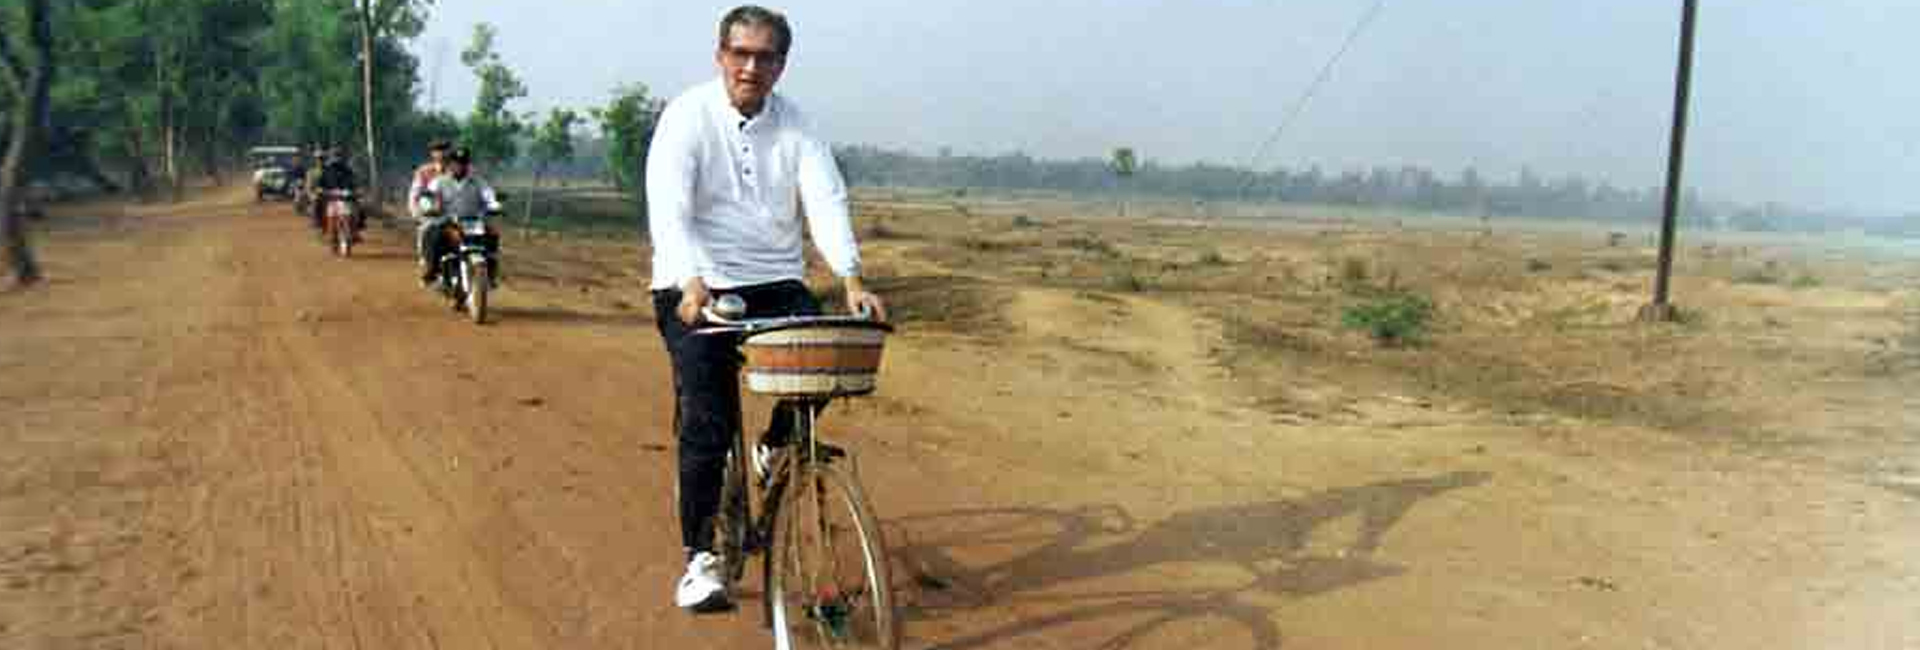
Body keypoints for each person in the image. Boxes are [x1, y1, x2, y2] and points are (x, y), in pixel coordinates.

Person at [646, 4, 887, 612]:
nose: (750, 67)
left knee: (833, 352)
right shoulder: (687, 117)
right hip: (694, 284)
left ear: (782, 65)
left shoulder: (799, 126)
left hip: (774, 279)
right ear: (720, 55)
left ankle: (775, 443)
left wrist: (852, 278)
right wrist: (690, 280)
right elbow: (669, 207)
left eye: (765, 57)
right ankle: (700, 558)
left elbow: (825, 199)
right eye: (740, 53)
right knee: (707, 419)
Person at [419, 147, 501, 285]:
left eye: (463, 162)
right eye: (456, 162)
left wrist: (494, 205)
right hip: (447, 222)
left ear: (468, 164)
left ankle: (491, 273)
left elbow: (489, 194)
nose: (460, 166)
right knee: (431, 234)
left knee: (492, 234)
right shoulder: (439, 181)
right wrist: (428, 207)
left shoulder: (478, 182)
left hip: (473, 222)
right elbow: (427, 196)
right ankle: (431, 270)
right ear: (450, 164)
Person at [313, 148, 358, 234]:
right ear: (331, 157)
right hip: (329, 196)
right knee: (318, 203)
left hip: (345, 196)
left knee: (358, 207)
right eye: (335, 156)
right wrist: (320, 189)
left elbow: (353, 182)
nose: (337, 158)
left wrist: (355, 190)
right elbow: (320, 183)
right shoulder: (327, 170)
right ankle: (320, 224)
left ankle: (356, 229)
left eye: (338, 156)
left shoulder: (347, 170)